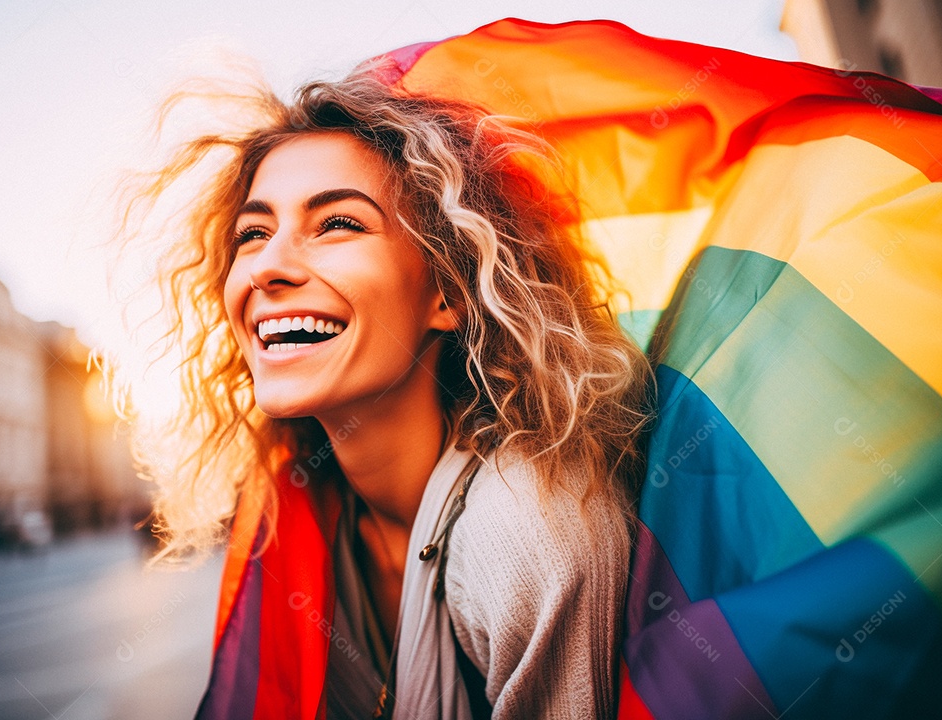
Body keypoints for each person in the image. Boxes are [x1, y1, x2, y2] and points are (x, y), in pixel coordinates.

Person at [119, 63, 652, 718]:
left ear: (449, 291)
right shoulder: (294, 508)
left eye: (338, 224)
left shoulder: (526, 529)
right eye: (252, 234)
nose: (268, 267)